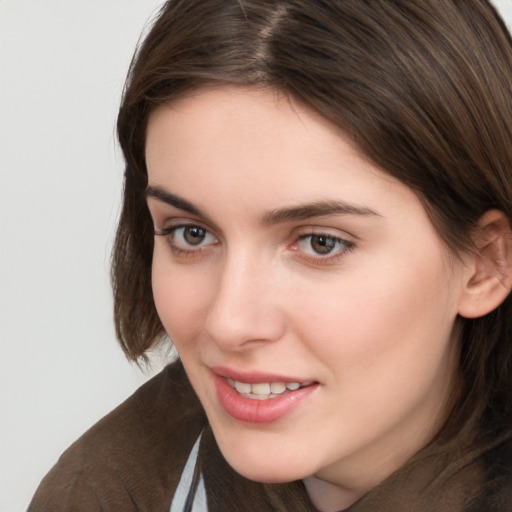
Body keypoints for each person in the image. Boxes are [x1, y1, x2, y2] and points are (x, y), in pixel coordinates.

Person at [29, 0, 512, 510]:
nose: (229, 323)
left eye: (320, 243)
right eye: (191, 234)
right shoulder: (101, 493)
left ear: (483, 266)